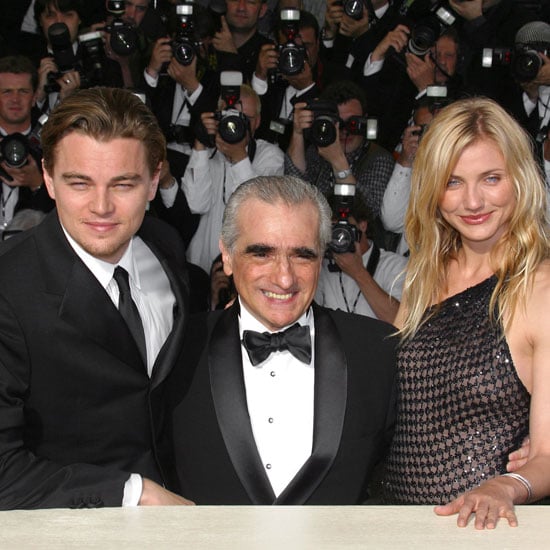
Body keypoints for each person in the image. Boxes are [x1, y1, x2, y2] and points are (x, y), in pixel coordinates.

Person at [0, 87, 191, 509]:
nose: (101, 207)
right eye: (79, 183)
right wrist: (133, 493)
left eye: (123, 183)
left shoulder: (165, 244)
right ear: (48, 178)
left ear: (154, 180)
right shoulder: (8, 288)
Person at [161, 175, 397, 504]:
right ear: (227, 256)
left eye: (303, 256)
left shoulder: (379, 351)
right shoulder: (175, 348)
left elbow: (404, 479)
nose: (284, 278)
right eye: (262, 254)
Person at [382, 97, 550, 528]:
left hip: (484, 530)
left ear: (520, 178)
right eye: (452, 182)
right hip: (395, 524)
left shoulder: (540, 287)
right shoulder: (425, 274)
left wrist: (506, 485)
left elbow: (547, 454)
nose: (472, 201)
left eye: (491, 178)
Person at [161, 83, 284, 273]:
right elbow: (196, 204)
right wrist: (200, 145)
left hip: (246, 269)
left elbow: (256, 208)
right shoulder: (209, 152)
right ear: (218, 116)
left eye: (245, 119)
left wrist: (239, 156)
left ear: (258, 121)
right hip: (200, 266)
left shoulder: (269, 154)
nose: (235, 125)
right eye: (230, 117)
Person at [286, 79, 394, 223]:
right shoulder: (318, 149)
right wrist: (298, 133)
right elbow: (293, 190)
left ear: (365, 121)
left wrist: (337, 161)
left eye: (353, 123)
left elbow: (368, 212)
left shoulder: (378, 158)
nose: (344, 131)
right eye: (337, 123)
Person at [315, 193, 407, 323]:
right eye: (334, 229)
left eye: (345, 227)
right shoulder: (322, 267)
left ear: (362, 225)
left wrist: (358, 272)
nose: (340, 236)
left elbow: (401, 322)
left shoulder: (396, 266)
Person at [0, 55, 54, 235]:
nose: (15, 99)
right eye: (6, 91)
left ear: (34, 97)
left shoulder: (52, 145)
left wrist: (37, 184)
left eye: (23, 91)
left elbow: (64, 215)